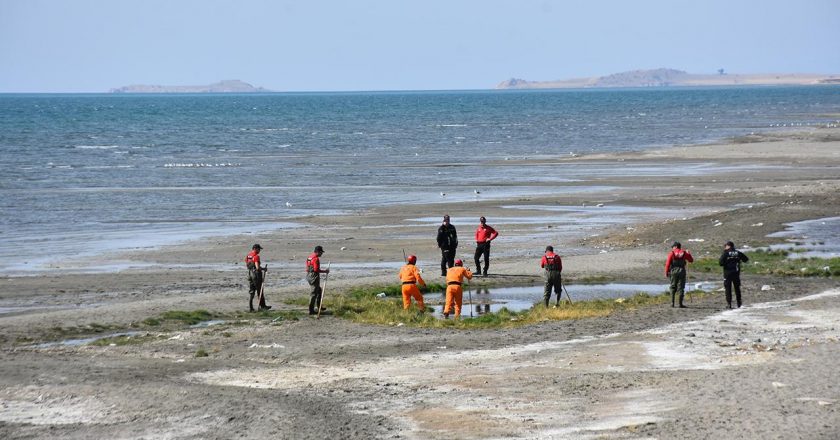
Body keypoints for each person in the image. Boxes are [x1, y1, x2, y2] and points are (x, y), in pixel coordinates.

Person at [719, 241, 749, 308]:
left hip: (728, 273)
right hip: (736, 273)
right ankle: (739, 303)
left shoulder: (726, 253)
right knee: (737, 288)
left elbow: (720, 263)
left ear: (728, 246)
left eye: (725, 246)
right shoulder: (738, 252)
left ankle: (729, 304)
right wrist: (738, 260)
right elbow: (746, 259)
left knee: (728, 289)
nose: (725, 247)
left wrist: (727, 262)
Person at [665, 241, 694, 308]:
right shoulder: (684, 252)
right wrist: (688, 254)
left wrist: (666, 272)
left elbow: (667, 264)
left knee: (673, 287)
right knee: (681, 287)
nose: (672, 248)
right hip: (682, 271)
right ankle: (680, 304)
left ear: (675, 247)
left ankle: (672, 303)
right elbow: (691, 260)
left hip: (673, 271)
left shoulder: (671, 253)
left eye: (672, 247)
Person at [245, 244, 271, 312]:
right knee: (260, 291)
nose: (259, 251)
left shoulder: (248, 256)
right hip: (256, 276)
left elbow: (247, 265)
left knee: (252, 291)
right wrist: (263, 269)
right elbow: (257, 267)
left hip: (250, 275)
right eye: (259, 249)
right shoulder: (256, 256)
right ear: (255, 248)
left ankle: (251, 308)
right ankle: (263, 306)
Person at [305, 245, 330, 315]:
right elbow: (316, 270)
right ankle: (311, 310)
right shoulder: (316, 259)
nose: (321, 254)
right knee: (313, 294)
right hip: (314, 277)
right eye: (321, 252)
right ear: (318, 252)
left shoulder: (309, 257)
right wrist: (325, 271)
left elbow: (307, 268)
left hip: (308, 275)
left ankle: (319, 306)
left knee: (319, 290)